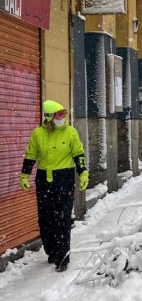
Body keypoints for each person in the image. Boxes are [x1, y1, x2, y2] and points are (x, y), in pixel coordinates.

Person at [19, 100, 88, 272]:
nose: (62, 118)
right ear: (48, 117)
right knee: (45, 220)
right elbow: (31, 154)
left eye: (63, 114)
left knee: (63, 218)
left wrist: (83, 173)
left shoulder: (70, 132)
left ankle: (63, 256)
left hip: (64, 179)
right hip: (43, 180)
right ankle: (51, 250)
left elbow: (78, 153)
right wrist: (25, 174)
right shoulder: (37, 134)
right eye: (58, 115)